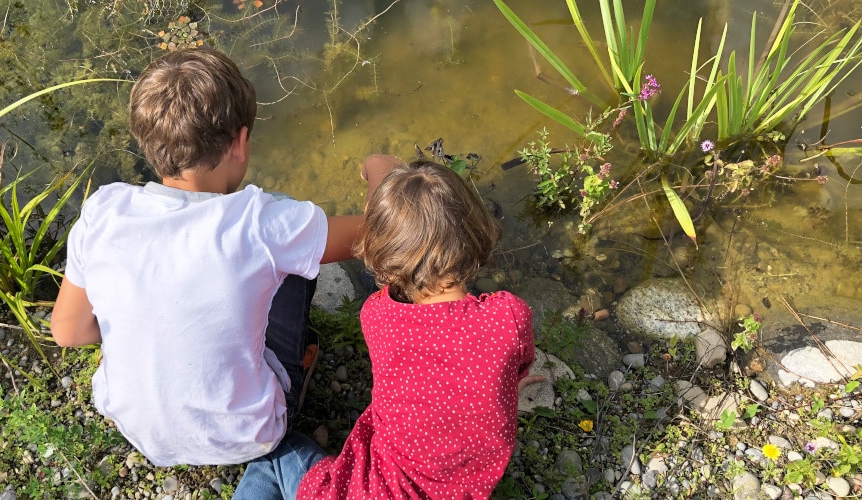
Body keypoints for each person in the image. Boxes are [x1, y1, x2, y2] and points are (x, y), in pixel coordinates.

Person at [49, 47, 399, 494]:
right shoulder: (260, 222)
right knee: (295, 228)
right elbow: (379, 234)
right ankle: (294, 373)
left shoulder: (104, 211)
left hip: (144, 435)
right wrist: (383, 171)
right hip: (250, 432)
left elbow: (70, 332)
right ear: (239, 141)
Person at [296, 159, 539, 499]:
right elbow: (521, 360)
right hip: (465, 487)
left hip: (378, 488)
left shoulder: (377, 314)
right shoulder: (507, 317)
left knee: (280, 457)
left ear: (382, 255)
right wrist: (506, 380)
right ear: (475, 232)